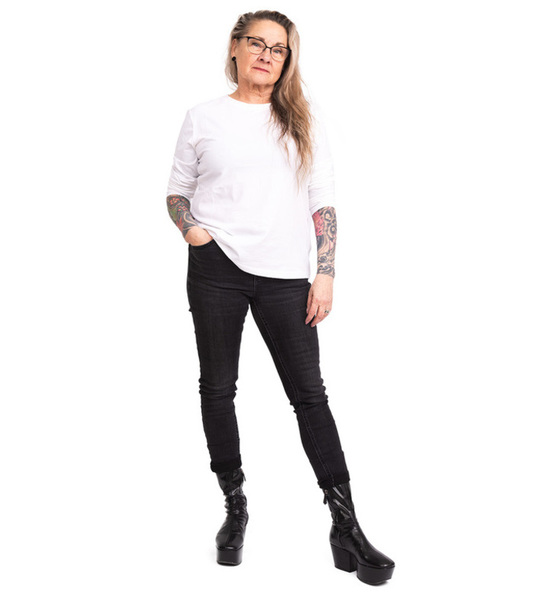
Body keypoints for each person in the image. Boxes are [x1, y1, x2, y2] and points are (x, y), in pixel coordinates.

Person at [166, 9, 395, 585]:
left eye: (279, 48)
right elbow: (176, 192)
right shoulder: (203, 117)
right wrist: (194, 232)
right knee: (218, 387)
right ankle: (235, 507)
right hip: (215, 270)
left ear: (288, 59)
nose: (267, 55)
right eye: (257, 43)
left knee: (310, 395)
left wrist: (325, 273)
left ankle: (346, 525)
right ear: (236, 48)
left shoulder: (301, 119)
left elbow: (322, 197)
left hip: (286, 276)